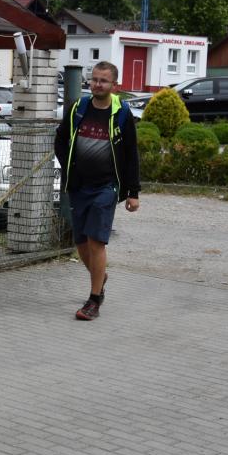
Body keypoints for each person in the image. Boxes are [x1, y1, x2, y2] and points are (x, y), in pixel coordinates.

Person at [54, 61, 141, 321]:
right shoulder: (78, 108)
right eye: (94, 79)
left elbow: (131, 154)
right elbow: (60, 139)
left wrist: (133, 192)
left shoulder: (121, 112)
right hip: (79, 186)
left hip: (106, 187)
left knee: (96, 241)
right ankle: (99, 276)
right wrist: (70, 166)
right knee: (81, 243)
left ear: (115, 85)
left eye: (103, 81)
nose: (97, 84)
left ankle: (94, 299)